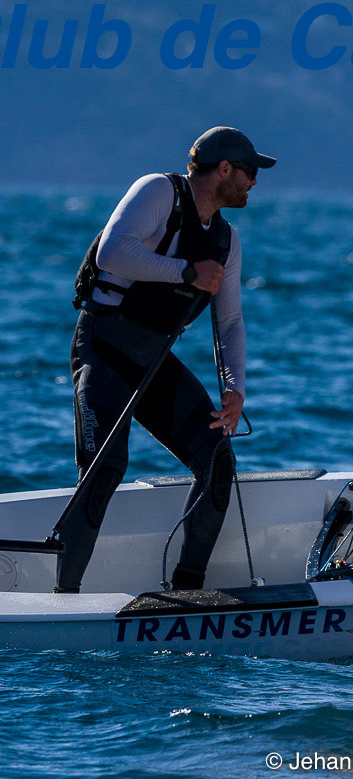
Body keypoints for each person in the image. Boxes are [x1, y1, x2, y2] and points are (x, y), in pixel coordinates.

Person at [56, 126, 275, 594]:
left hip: (153, 364)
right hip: (104, 349)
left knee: (217, 460)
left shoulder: (225, 241)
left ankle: (185, 593)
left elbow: (230, 321)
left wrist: (235, 389)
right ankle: (62, 602)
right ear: (223, 169)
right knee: (104, 470)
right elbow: (115, 252)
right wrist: (186, 271)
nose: (254, 182)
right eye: (250, 171)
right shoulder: (157, 191)